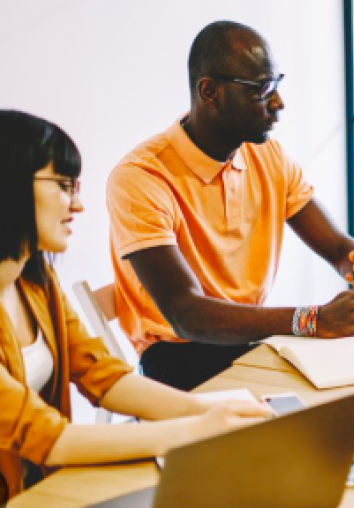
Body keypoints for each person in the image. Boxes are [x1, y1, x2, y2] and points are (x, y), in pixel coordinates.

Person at [107, 21, 354, 391]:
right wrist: (313, 320)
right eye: (262, 90)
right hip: (178, 359)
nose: (278, 103)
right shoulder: (141, 177)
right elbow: (187, 314)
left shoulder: (267, 156)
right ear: (210, 91)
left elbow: (340, 248)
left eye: (276, 85)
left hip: (248, 342)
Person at [0, 110, 271, 504]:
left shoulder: (36, 283)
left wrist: (200, 409)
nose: (78, 206)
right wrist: (197, 429)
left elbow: (101, 375)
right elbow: (47, 438)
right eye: (63, 185)